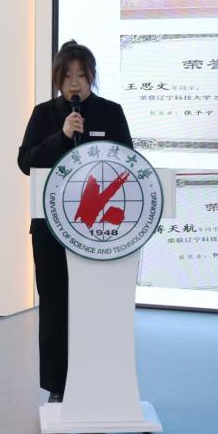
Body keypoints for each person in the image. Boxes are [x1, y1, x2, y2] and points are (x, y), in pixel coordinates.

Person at [17, 40, 133, 403]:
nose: (74, 83)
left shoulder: (111, 112)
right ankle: (58, 385)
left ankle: (98, 378)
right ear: (57, 79)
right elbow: (26, 162)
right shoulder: (43, 115)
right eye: (67, 76)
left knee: (96, 304)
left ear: (92, 77)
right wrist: (62, 136)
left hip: (99, 231)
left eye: (82, 75)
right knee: (55, 304)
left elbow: (129, 161)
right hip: (51, 229)